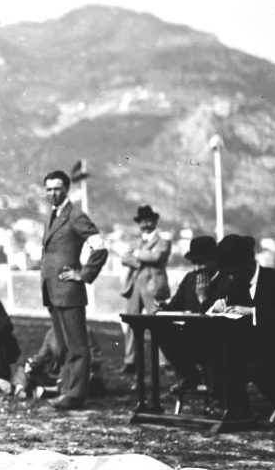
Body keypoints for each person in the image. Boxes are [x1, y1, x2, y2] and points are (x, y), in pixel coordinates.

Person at [38, 169, 109, 411]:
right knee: (62, 346)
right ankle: (67, 389)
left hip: (69, 292)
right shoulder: (51, 216)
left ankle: (76, 394)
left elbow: (100, 247)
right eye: (48, 189)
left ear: (67, 189)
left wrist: (83, 274)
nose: (52, 193)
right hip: (52, 291)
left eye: (57, 188)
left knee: (77, 346)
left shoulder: (76, 216)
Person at [207, 234, 275, 426]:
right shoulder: (236, 284)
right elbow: (214, 303)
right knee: (226, 356)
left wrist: (252, 311)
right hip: (253, 345)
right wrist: (218, 305)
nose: (231, 276)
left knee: (257, 369)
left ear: (248, 263)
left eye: (234, 271)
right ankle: (240, 410)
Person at [155, 235, 221, 397]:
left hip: (217, 342)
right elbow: (174, 306)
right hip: (191, 338)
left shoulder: (225, 281)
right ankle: (191, 377)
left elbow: (220, 316)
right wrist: (163, 307)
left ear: (214, 260)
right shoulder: (190, 279)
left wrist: (203, 298)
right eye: (194, 263)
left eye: (202, 262)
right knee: (160, 328)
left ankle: (211, 384)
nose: (197, 268)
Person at [118, 204, 172, 375]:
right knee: (131, 323)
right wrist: (140, 258)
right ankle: (130, 362)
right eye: (142, 221)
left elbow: (157, 257)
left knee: (159, 323)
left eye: (149, 221)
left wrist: (136, 254)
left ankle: (164, 362)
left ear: (155, 222)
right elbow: (124, 257)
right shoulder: (135, 241)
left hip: (154, 287)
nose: (146, 224)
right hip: (134, 285)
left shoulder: (163, 241)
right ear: (139, 223)